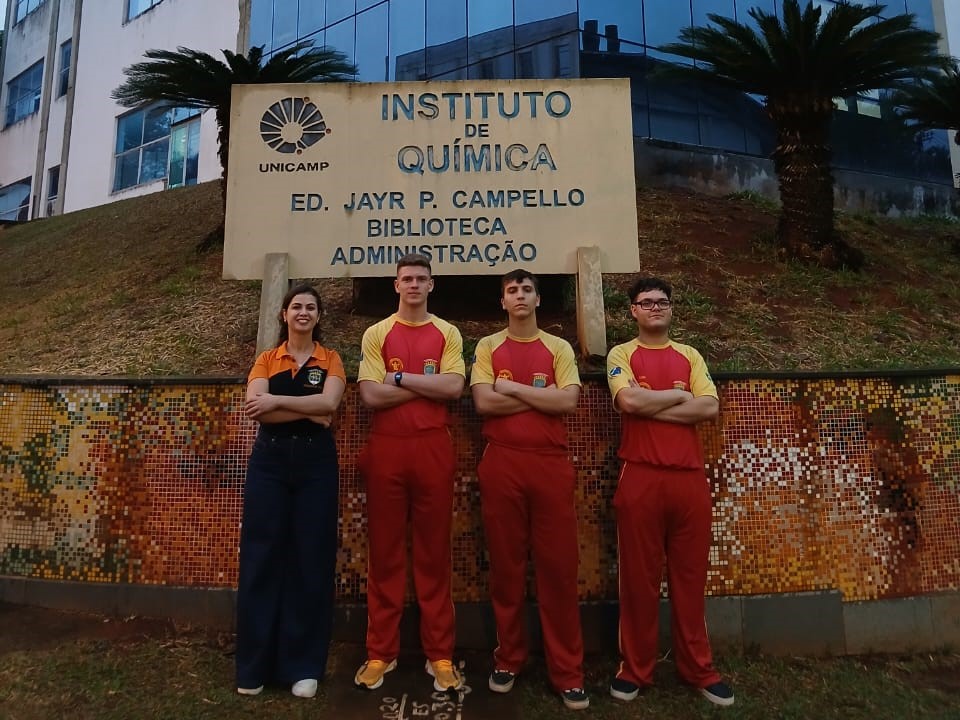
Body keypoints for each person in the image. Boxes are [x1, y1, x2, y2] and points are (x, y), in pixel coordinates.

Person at [605, 276, 734, 707]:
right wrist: (678, 398)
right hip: (640, 476)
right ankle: (635, 669)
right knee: (639, 582)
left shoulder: (690, 355)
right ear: (633, 311)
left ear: (671, 309)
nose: (655, 308)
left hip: (689, 480)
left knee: (690, 580)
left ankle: (699, 668)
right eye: (646, 302)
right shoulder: (621, 354)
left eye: (662, 302)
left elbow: (710, 407)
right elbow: (629, 404)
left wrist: (653, 399)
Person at [470, 269, 589, 711]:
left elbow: (568, 402)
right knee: (507, 566)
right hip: (501, 462)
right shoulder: (487, 347)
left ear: (538, 299)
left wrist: (511, 388)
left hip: (550, 465)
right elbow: (484, 402)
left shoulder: (557, 347)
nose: (519, 296)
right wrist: (539, 395)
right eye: (511, 290)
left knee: (559, 569)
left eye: (526, 289)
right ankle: (509, 658)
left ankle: (568, 672)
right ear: (502, 302)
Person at [354, 253, 466, 692]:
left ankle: (440, 655)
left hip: (433, 447)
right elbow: (369, 396)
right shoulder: (377, 333)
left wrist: (399, 380)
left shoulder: (448, 332)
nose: (414, 285)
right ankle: (380, 652)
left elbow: (454, 388)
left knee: (434, 554)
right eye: (407, 279)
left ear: (432, 285)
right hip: (387, 449)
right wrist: (425, 386)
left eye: (421, 278)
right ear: (395, 285)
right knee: (384, 555)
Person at [235, 283, 346, 699]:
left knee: (310, 559)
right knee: (262, 557)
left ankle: (303, 666)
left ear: (319, 316)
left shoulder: (331, 359)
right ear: (284, 314)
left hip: (317, 464)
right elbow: (254, 406)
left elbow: (330, 406)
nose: (303, 312)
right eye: (296, 306)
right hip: (270, 463)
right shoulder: (266, 358)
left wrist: (279, 404)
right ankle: (254, 665)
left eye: (311, 307)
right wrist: (309, 405)